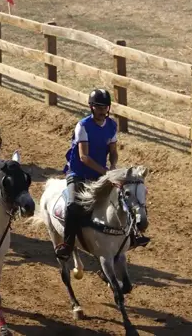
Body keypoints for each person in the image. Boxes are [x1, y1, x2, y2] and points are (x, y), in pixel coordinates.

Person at [54, 88, 119, 260]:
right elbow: (84, 157)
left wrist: (113, 165)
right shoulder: (83, 126)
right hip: (78, 173)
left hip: (100, 174)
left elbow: (113, 151)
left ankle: (128, 236)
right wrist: (106, 172)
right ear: (91, 107)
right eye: (98, 107)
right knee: (74, 205)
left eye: (105, 107)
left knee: (121, 199)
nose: (102, 110)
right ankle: (67, 244)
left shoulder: (112, 126)